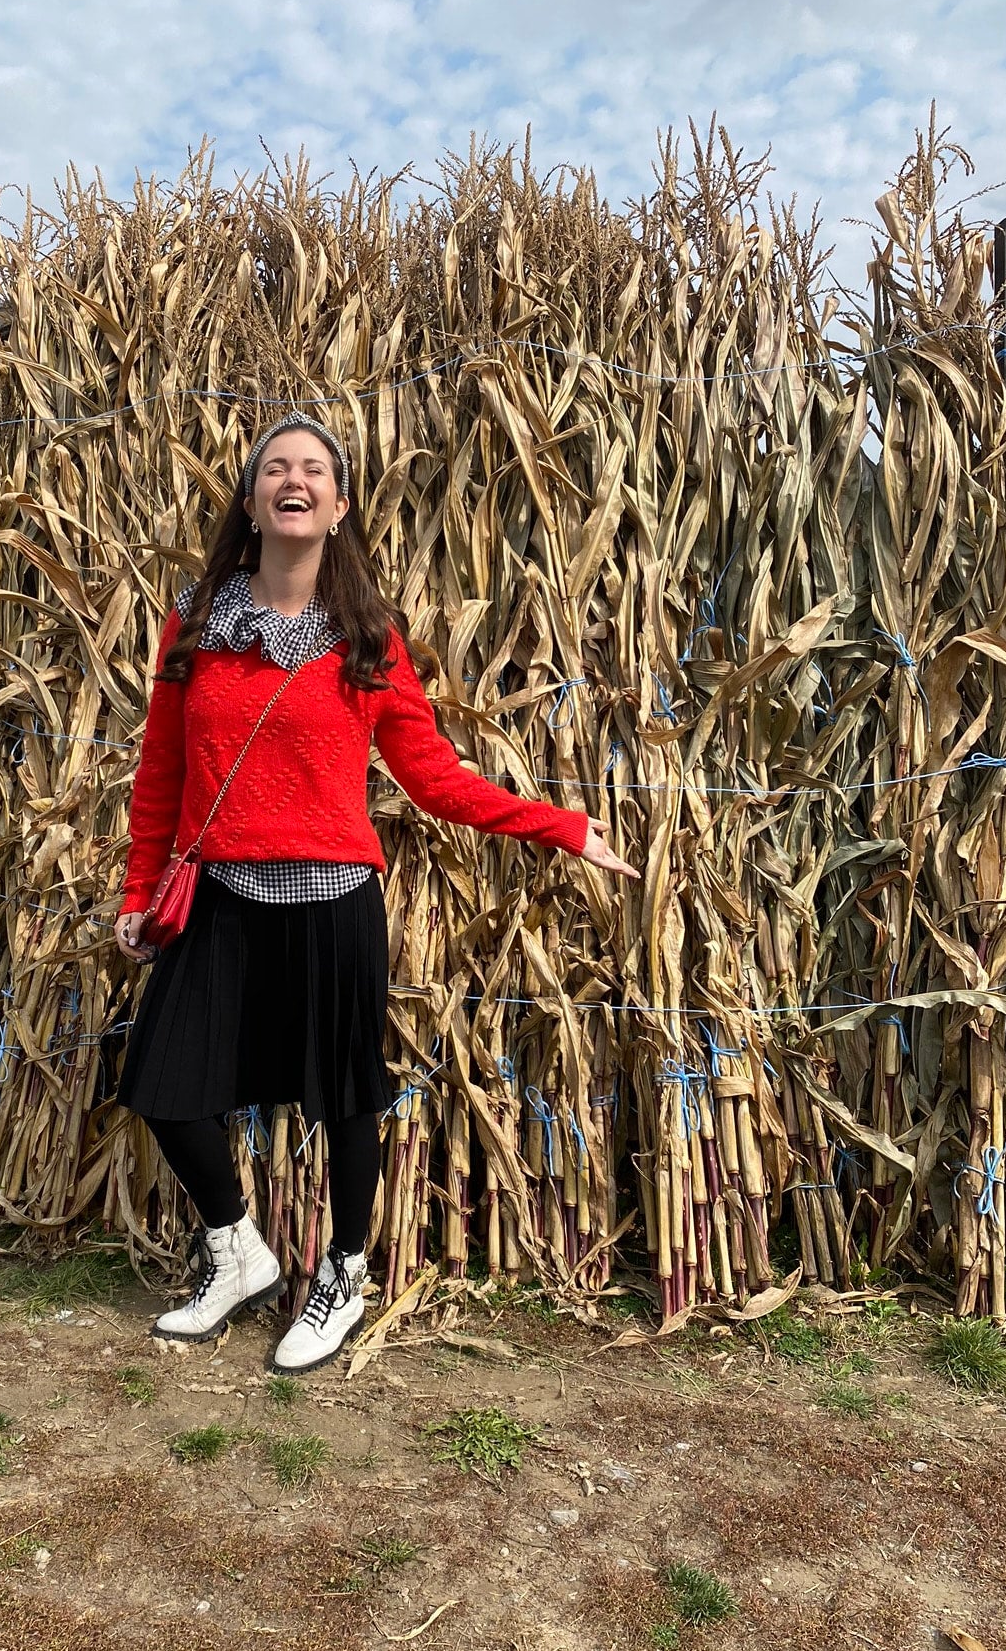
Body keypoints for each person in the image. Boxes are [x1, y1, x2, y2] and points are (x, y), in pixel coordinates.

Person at [113, 412, 637, 1373]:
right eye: (276, 467)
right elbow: (162, 774)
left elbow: (433, 776)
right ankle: (236, 1252)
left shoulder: (366, 638)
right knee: (162, 1083)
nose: (295, 479)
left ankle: (343, 1276)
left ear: (340, 505)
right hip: (218, 892)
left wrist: (559, 826)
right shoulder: (194, 626)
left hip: (333, 896)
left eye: (314, 469)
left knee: (346, 1097)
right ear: (251, 500)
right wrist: (139, 888)